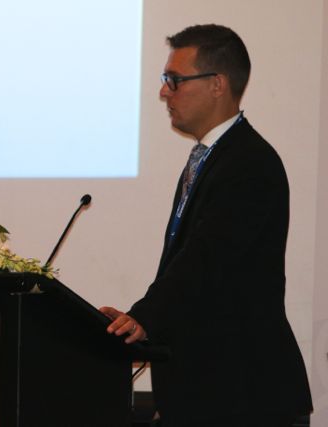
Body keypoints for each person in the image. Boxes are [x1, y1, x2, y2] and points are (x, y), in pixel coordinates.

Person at [100, 24, 312, 427]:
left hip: (244, 397)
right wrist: (137, 321)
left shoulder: (249, 164)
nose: (164, 92)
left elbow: (207, 259)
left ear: (217, 84)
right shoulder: (213, 158)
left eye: (174, 80)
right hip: (210, 394)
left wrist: (145, 317)